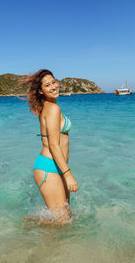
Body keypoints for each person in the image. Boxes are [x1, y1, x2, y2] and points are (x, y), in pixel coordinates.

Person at [20, 69, 78, 225]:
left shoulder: (48, 107)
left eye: (54, 82)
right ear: (41, 91)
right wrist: (68, 174)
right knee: (61, 221)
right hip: (49, 168)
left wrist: (64, 170)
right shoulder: (52, 109)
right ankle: (29, 230)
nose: (53, 87)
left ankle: (30, 224)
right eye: (47, 85)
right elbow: (53, 145)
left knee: (65, 218)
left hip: (56, 166)